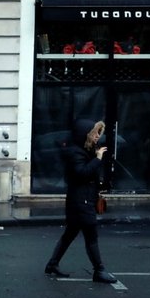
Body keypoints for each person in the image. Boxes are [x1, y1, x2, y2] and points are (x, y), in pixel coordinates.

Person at [44, 118, 116, 283]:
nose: (98, 137)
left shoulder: (87, 151)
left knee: (70, 233)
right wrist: (97, 159)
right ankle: (99, 270)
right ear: (86, 135)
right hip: (80, 201)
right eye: (95, 133)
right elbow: (81, 173)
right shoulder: (75, 153)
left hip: (83, 199)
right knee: (91, 234)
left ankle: (52, 264)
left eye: (99, 133)